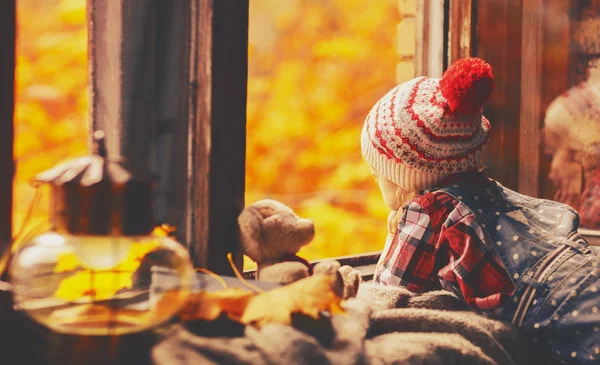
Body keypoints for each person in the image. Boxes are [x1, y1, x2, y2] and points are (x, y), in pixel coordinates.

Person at [362, 57, 600, 364]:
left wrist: (393, 235)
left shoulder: (428, 214)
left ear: (401, 177)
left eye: (376, 173)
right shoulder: (490, 194)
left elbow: (385, 297)